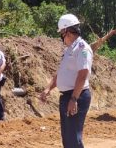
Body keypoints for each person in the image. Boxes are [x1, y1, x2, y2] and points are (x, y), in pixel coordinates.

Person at [40, 14, 93, 148]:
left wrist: (74, 99)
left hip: (76, 97)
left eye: (61, 33)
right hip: (67, 97)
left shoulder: (82, 48)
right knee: (67, 139)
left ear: (67, 32)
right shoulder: (70, 49)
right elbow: (62, 73)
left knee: (74, 138)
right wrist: (48, 89)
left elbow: (83, 74)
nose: (61, 37)